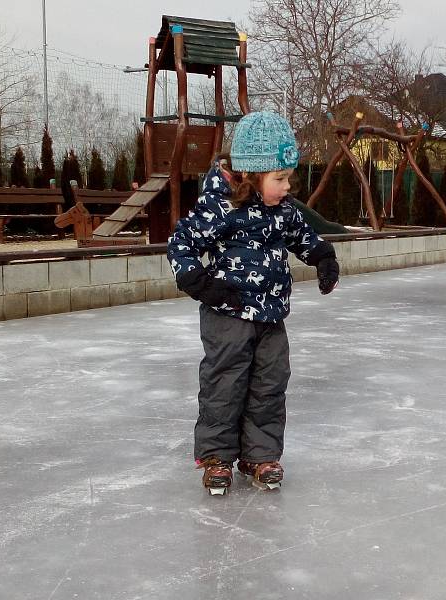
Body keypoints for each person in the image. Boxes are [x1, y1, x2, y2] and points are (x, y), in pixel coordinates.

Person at [167, 111, 340, 495]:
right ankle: (217, 458)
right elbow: (181, 244)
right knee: (224, 384)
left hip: (271, 314)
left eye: (287, 176)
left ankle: (260, 456)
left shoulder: (283, 211)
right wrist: (199, 282)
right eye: (280, 178)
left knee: (269, 384)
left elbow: (303, 236)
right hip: (228, 314)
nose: (287, 185)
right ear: (250, 175)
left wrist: (324, 257)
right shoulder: (220, 208)